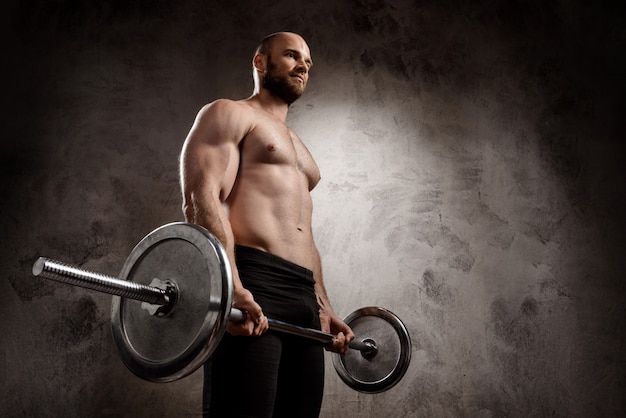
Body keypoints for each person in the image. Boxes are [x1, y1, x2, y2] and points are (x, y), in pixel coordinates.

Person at [179, 32, 355, 418]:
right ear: (261, 63)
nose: (303, 65)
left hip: (303, 296)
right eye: (291, 55)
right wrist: (230, 288)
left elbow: (301, 231)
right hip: (256, 284)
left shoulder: (297, 144)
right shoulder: (230, 114)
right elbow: (201, 199)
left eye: (307, 60)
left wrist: (323, 306)